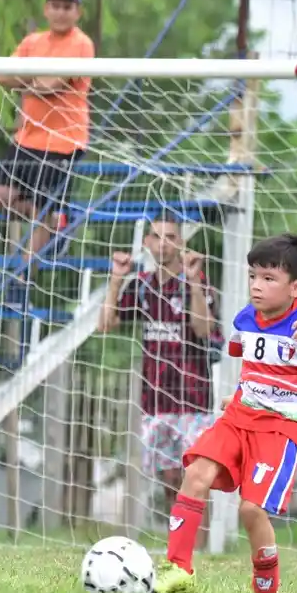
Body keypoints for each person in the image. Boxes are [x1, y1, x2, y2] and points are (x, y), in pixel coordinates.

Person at [152, 234, 297, 593]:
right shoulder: (245, 320)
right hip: (238, 418)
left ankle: (267, 591)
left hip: (279, 429)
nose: (256, 286)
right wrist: (241, 396)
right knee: (195, 474)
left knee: (251, 509)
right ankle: (178, 570)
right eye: (253, 276)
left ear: (296, 288)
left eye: (268, 278)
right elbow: (254, 365)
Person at [97, 216, 220, 516]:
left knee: (196, 481)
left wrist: (194, 282)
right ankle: (177, 540)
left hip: (193, 398)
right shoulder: (142, 285)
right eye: (157, 236)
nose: (163, 243)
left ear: (181, 243)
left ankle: (197, 543)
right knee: (170, 482)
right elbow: (106, 324)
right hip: (155, 399)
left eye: (170, 237)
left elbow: (204, 329)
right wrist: (116, 279)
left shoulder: (197, 282)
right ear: (147, 243)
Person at [0, 0, 95, 302]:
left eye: (67, 7)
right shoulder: (32, 41)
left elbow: (51, 83)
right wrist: (32, 82)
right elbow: (3, 76)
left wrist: (27, 81)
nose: (61, 12)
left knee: (43, 208)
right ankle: (57, 221)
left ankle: (21, 280)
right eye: (56, 6)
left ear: (77, 12)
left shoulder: (81, 43)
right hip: (28, 137)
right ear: (46, 9)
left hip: (64, 141)